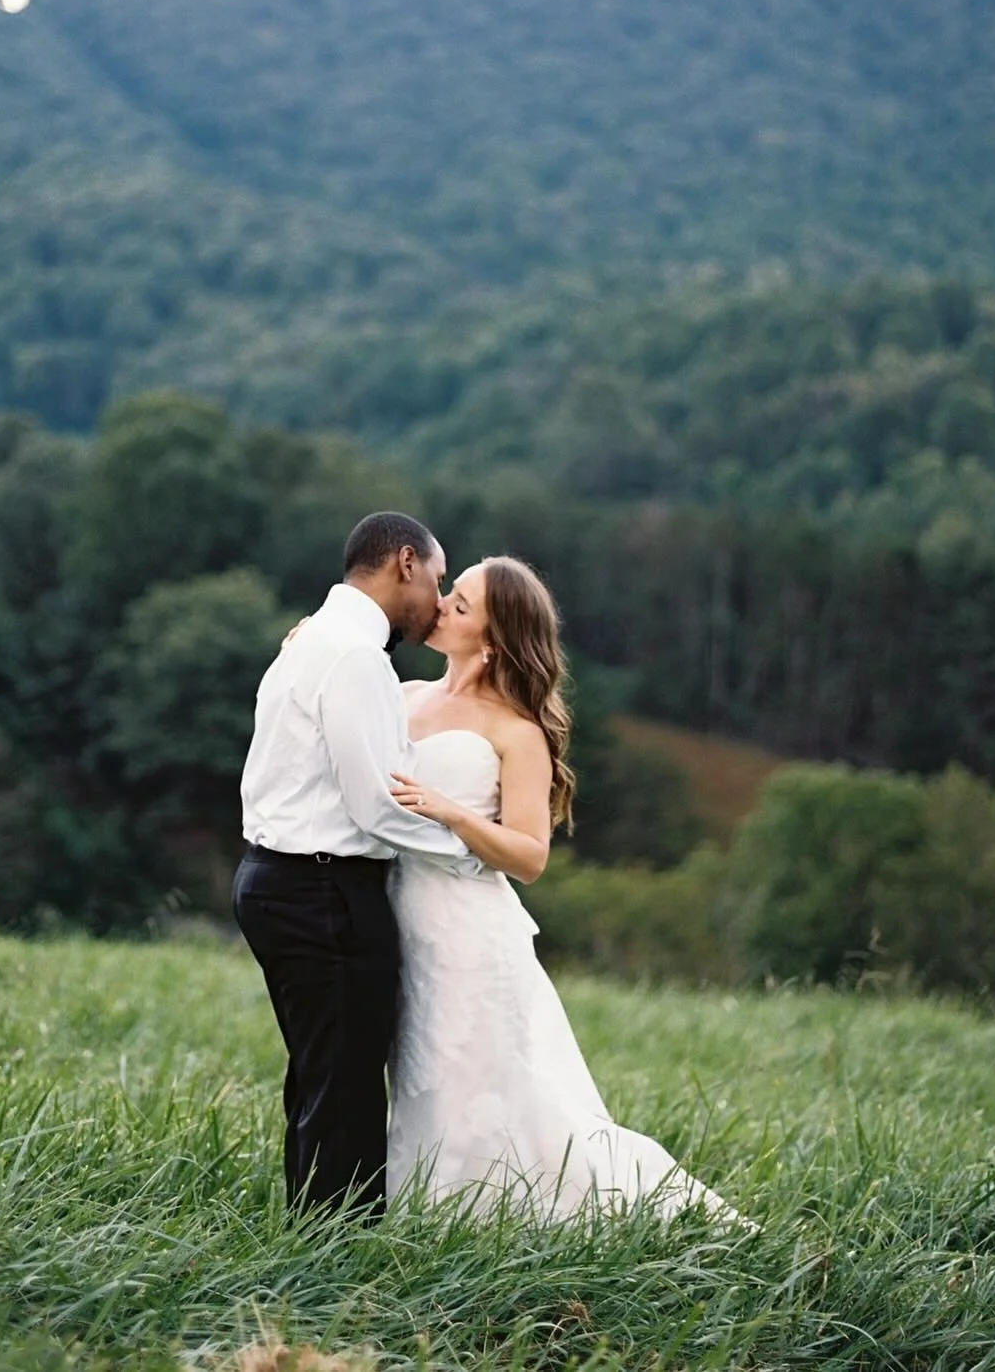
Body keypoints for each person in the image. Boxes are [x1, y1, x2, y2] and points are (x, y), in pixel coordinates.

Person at [386, 554, 742, 1224]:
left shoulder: (516, 733)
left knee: (478, 1081)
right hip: (400, 916)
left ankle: (492, 1217)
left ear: (491, 643)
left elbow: (528, 856)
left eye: (459, 605)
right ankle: (424, 1211)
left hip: (469, 933)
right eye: (449, 591)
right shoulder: (403, 696)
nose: (439, 605)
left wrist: (454, 812)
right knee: (417, 1078)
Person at [231, 511, 480, 1215]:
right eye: (437, 579)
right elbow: (375, 804)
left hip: (280, 877)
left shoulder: (315, 638)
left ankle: (311, 1235)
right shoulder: (354, 657)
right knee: (344, 1082)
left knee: (321, 1075)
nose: (438, 600)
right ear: (405, 562)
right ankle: (338, 1252)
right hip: (322, 889)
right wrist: (470, 856)